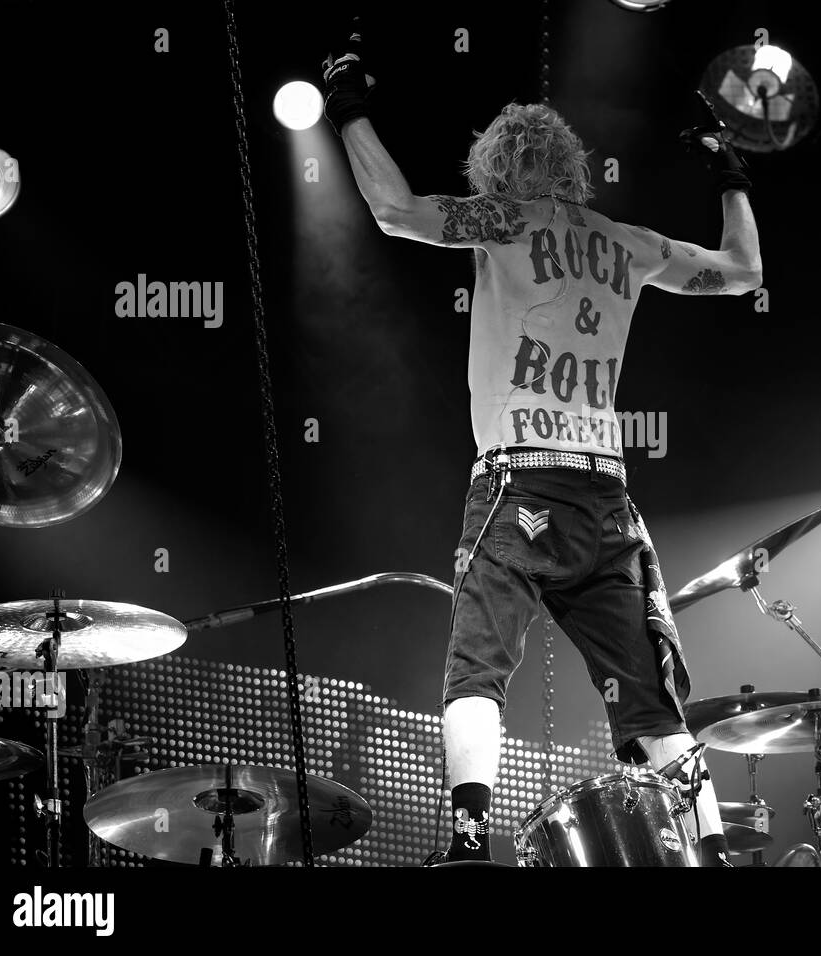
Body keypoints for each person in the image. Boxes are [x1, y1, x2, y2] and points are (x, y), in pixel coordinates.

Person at [323, 21, 761, 866]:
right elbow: (746, 273)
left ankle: (467, 839)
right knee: (650, 701)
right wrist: (728, 167)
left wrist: (347, 110)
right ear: (571, 167)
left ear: (495, 167)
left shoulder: (500, 221)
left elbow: (391, 211)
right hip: (607, 500)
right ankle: (708, 850)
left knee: (477, 669)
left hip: (519, 485)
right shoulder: (628, 245)